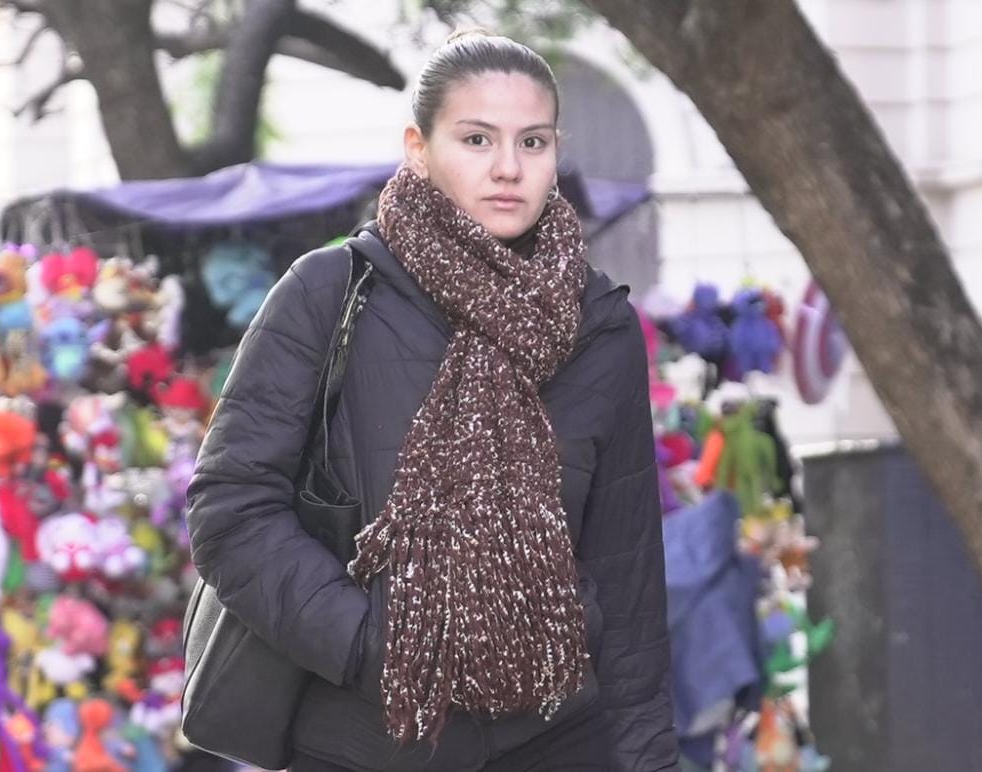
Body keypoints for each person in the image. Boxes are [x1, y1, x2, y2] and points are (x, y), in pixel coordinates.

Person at [186, 29, 679, 772]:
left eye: (534, 142)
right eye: (476, 139)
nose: (508, 167)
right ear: (418, 147)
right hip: (367, 739)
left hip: (558, 736)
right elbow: (231, 508)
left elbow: (628, 574)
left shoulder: (599, 327)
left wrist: (650, 761)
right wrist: (371, 644)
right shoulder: (330, 294)